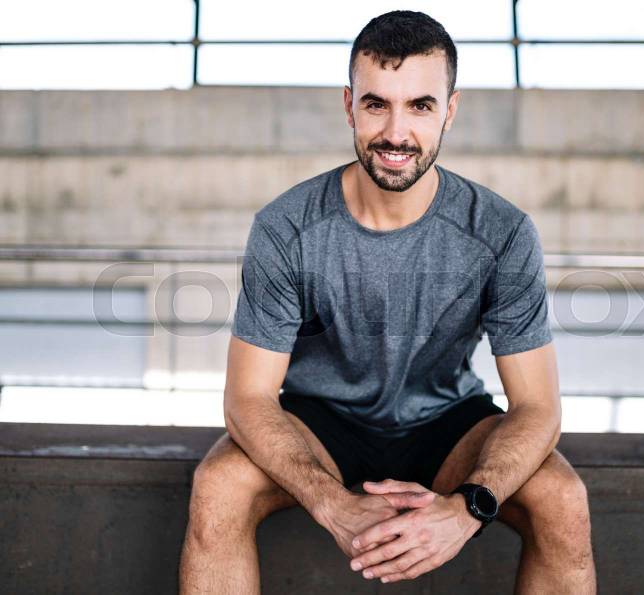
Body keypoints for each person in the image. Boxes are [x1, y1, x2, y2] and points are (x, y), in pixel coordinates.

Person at [179, 10, 596, 594]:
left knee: (561, 496)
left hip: (444, 424)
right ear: (349, 105)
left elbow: (539, 408)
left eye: (420, 106)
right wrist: (332, 504)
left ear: (450, 110)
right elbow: (248, 399)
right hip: (322, 424)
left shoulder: (501, 232)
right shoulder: (286, 228)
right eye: (377, 104)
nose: (396, 133)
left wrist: (469, 508)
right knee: (219, 485)